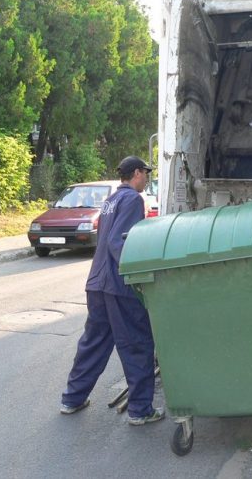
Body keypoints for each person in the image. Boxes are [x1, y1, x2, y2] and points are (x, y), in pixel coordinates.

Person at [60, 156, 164, 426]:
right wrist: (137, 275)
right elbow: (120, 242)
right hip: (119, 285)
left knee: (93, 343)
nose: (147, 179)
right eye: (146, 174)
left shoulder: (110, 200)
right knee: (137, 344)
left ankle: (72, 399)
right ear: (137, 173)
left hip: (97, 283)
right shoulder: (132, 199)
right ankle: (140, 410)